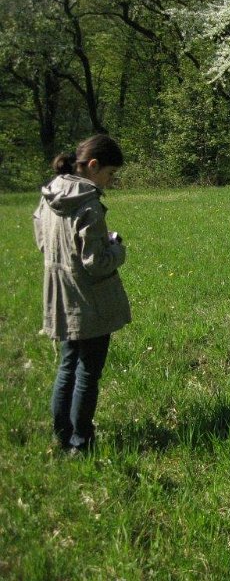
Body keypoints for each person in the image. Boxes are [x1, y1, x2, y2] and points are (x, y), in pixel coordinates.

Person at [33, 135, 131, 454]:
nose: (111, 181)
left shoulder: (50, 195)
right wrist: (117, 249)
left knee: (67, 365)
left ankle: (63, 436)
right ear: (93, 166)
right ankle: (81, 442)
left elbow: (43, 241)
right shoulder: (87, 203)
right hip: (90, 303)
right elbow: (97, 262)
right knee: (87, 373)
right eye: (110, 174)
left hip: (60, 297)